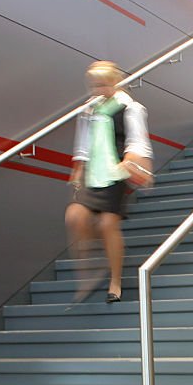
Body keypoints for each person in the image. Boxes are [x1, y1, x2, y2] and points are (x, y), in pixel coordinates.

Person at [67, 61, 154, 303]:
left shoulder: (129, 107)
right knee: (75, 216)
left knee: (107, 224)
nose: (98, 90)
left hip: (115, 170)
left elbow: (137, 141)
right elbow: (83, 143)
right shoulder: (89, 109)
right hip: (92, 171)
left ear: (114, 83)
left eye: (103, 85)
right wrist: (79, 167)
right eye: (94, 85)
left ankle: (115, 280)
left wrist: (131, 161)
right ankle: (91, 269)